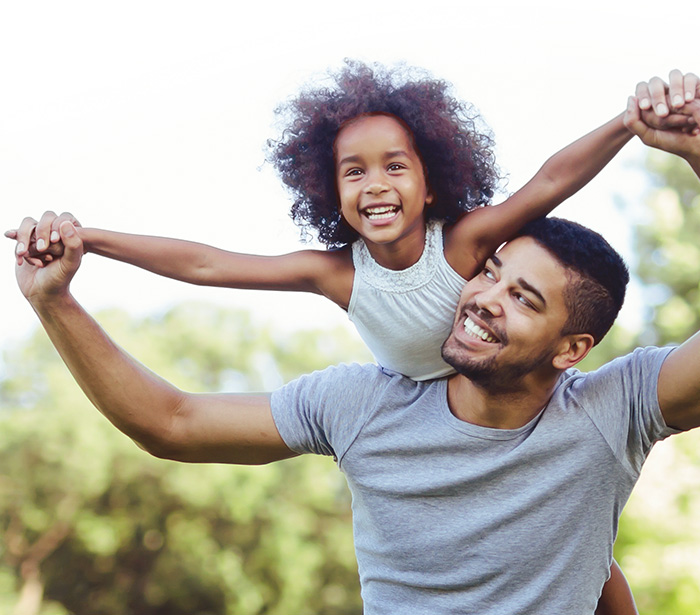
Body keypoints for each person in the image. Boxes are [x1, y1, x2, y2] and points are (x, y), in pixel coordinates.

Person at [8, 75, 700, 614]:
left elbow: (551, 178)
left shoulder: (614, 410)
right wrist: (56, 299)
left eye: (523, 298)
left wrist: (689, 149)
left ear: (570, 348)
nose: (486, 295)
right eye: (491, 271)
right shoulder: (359, 402)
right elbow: (173, 421)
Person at [15, 63, 696, 384]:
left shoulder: (462, 245)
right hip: (429, 416)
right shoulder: (336, 274)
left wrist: (628, 124)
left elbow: (549, 181)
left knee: (588, 546)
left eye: (395, 167)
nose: (375, 185)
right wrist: (90, 238)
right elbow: (206, 263)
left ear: (432, 184)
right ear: (329, 188)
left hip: (517, 393)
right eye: (354, 171)